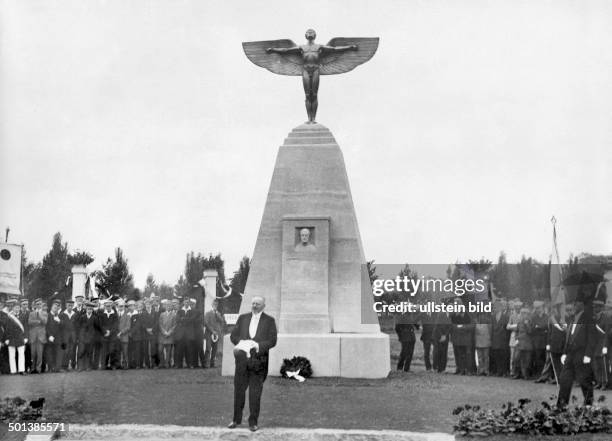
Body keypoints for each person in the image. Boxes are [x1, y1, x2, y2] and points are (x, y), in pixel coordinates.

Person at [228, 296, 277, 432]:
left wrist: (257, 345)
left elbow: (273, 341)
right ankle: (235, 420)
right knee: (239, 392)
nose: (254, 306)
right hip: (242, 362)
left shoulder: (269, 320)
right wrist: (242, 343)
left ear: (263, 306)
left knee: (255, 394)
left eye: (257, 304)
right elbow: (233, 336)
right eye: (253, 303)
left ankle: (253, 423)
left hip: (258, 363)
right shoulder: (243, 318)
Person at [557, 288, 598, 408]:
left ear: (583, 305)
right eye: (574, 303)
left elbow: (592, 338)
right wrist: (565, 352)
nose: (574, 305)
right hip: (570, 354)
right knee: (564, 380)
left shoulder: (588, 318)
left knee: (585, 381)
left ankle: (588, 406)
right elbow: (569, 337)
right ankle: (561, 406)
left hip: (582, 354)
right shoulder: (572, 318)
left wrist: (588, 355)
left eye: (577, 303)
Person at [2, 299, 27, 374]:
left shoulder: (23, 316)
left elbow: (26, 327)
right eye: (15, 307)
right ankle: (13, 370)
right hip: (11, 337)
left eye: (18, 307)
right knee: (11, 355)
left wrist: (26, 337)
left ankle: (21, 370)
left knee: (21, 354)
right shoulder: (9, 316)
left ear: (19, 308)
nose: (17, 309)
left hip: (20, 337)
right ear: (12, 308)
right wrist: (6, 338)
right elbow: (6, 328)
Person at [490, 298, 510, 376]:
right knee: (497, 356)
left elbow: (506, 329)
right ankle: (499, 371)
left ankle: (504, 372)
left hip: (503, 339)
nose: (496, 308)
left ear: (501, 307)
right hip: (495, 339)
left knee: (503, 356)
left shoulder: (506, 317)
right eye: (495, 307)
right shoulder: (493, 317)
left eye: (497, 307)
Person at [204, 298, 226, 368]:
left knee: (215, 349)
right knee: (208, 349)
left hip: (216, 334)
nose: (215, 305)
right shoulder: (208, 313)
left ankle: (212, 363)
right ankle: (206, 363)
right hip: (209, 334)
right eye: (214, 304)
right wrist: (212, 331)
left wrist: (217, 314)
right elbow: (206, 323)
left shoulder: (219, 313)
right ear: (212, 304)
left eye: (216, 304)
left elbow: (222, 321)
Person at [174, 297, 196, 368]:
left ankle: (190, 364)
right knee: (179, 349)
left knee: (189, 350)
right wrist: (186, 320)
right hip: (181, 334)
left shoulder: (192, 311)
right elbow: (177, 320)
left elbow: (192, 319)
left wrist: (183, 319)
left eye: (188, 302)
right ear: (183, 302)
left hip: (189, 334)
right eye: (185, 302)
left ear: (189, 303)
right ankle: (179, 364)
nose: (186, 303)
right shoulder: (179, 311)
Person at [431, 301, 452, 373]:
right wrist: (442, 336)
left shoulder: (450, 315)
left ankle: (442, 368)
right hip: (438, 336)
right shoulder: (442, 314)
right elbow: (437, 326)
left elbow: (449, 327)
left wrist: (445, 335)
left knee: (444, 352)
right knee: (437, 352)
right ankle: (436, 367)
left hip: (445, 336)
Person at [28, 298, 47, 374]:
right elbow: (29, 322)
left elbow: (45, 322)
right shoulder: (31, 313)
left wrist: (39, 314)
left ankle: (38, 369)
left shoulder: (44, 313)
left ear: (42, 305)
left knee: (39, 354)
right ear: (35, 305)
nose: (39, 305)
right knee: (33, 354)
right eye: (37, 304)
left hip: (41, 337)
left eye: (40, 304)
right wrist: (38, 321)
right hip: (33, 336)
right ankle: (32, 368)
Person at [77, 302, 98, 371]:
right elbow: (78, 327)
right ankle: (80, 367)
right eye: (88, 309)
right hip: (82, 338)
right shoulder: (82, 317)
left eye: (91, 309)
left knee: (89, 352)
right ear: (86, 310)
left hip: (91, 338)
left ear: (92, 310)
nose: (89, 311)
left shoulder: (94, 318)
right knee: (81, 352)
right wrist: (79, 337)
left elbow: (97, 327)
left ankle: (88, 366)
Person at [530, 301, 548, 378]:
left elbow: (546, 326)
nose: (538, 310)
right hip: (537, 341)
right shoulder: (534, 317)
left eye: (539, 308)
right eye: (536, 308)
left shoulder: (546, 316)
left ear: (542, 308)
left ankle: (544, 375)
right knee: (537, 358)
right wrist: (541, 328)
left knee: (544, 358)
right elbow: (533, 327)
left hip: (545, 340)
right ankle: (538, 374)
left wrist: (539, 327)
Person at [99, 299, 119, 369]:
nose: (108, 307)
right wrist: (105, 331)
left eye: (109, 306)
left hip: (112, 336)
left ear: (111, 306)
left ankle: (113, 365)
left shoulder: (115, 314)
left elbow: (115, 325)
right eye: (107, 306)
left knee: (112, 350)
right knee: (104, 351)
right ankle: (104, 365)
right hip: (104, 336)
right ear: (105, 306)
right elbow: (101, 324)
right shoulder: (102, 314)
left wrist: (110, 331)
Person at [158, 300, 176, 368]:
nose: (168, 306)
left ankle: (167, 363)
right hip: (162, 335)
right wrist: (164, 332)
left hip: (170, 335)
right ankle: (161, 363)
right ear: (165, 306)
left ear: (171, 306)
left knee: (168, 351)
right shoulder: (161, 314)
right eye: (167, 305)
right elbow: (160, 324)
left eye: (169, 305)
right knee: (160, 350)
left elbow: (174, 325)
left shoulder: (174, 315)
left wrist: (169, 332)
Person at [61, 299, 78, 370]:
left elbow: (77, 326)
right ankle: (64, 366)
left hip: (73, 336)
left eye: (71, 305)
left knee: (72, 351)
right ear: (66, 306)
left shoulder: (75, 314)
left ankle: (73, 365)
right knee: (65, 351)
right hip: (65, 336)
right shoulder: (62, 314)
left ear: (73, 306)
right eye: (68, 305)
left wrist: (76, 337)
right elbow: (60, 326)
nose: (70, 307)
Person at [475, 311, 492, 376]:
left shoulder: (488, 322)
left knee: (486, 357)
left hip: (486, 341)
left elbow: (490, 332)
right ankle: (480, 370)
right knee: (480, 357)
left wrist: (490, 340)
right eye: (480, 315)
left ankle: (486, 370)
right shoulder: (476, 321)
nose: (482, 317)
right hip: (479, 341)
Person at [116, 299, 131, 369]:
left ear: (124, 307)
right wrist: (117, 333)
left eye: (122, 306)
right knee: (118, 352)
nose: (120, 307)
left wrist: (121, 333)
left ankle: (125, 365)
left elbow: (128, 327)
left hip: (124, 336)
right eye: (119, 306)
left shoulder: (127, 315)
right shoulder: (116, 314)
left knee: (125, 352)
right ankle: (118, 364)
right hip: (117, 337)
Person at [19, 299, 32, 373]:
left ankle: (28, 367)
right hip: (20, 335)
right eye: (24, 304)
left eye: (26, 304)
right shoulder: (18, 313)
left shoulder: (29, 312)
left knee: (28, 352)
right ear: (21, 305)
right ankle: (21, 368)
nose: (25, 306)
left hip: (28, 335)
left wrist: (27, 336)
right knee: (20, 352)